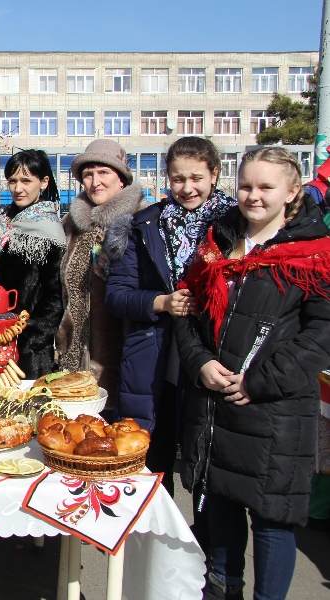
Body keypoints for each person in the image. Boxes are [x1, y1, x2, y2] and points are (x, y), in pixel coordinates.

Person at [175, 147, 330, 600]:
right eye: (246, 185)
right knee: (219, 513)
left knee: (271, 522)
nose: (253, 196)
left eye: (266, 187)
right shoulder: (217, 242)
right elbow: (187, 312)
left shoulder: (314, 253)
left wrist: (260, 382)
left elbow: (321, 332)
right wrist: (200, 362)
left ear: (292, 191)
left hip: (274, 413)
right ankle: (223, 591)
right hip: (216, 407)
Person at [105, 137, 236, 496]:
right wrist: (162, 302)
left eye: (196, 178)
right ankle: (152, 547)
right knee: (152, 463)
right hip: (155, 359)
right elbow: (116, 294)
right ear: (167, 178)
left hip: (216, 353)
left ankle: (206, 549)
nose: (187, 188)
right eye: (178, 179)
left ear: (215, 174)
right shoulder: (145, 226)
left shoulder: (236, 227)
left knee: (208, 470)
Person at [56, 139, 146, 403]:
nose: (95, 181)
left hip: (122, 351)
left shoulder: (142, 222)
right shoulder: (71, 224)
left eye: (104, 172)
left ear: (122, 179)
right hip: (73, 352)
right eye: (88, 174)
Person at [0, 149, 65, 379]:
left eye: (26, 180)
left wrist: (30, 339)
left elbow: (55, 297)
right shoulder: (2, 220)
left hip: (25, 348)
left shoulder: (48, 230)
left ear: (44, 182)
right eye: (13, 181)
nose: (18, 188)